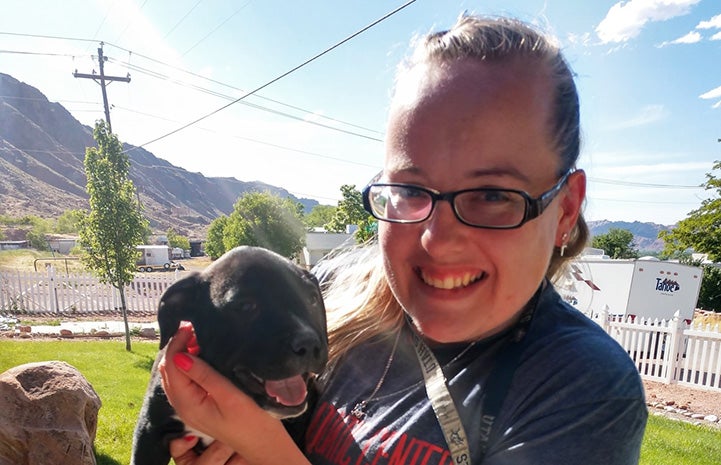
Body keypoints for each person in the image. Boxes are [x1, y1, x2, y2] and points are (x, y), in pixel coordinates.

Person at [159, 13, 648, 465]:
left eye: (493, 194)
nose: (437, 240)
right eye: (411, 189)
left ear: (565, 209)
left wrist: (267, 451)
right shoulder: (325, 293)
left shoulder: (581, 389)